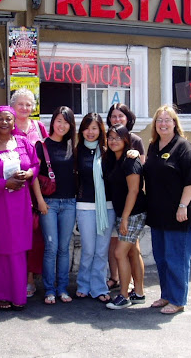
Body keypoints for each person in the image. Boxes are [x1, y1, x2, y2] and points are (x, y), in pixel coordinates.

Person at [0, 105, 46, 309]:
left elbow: (35, 164)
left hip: (19, 204)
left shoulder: (23, 142)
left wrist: (29, 174)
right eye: (0, 119)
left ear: (14, 122)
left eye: (8, 119)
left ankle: (17, 294)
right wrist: (4, 183)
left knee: (16, 248)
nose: (4, 123)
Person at [143, 105, 191, 315]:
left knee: (177, 258)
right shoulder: (153, 146)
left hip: (180, 212)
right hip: (158, 213)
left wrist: (182, 206)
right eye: (160, 120)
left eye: (168, 120)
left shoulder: (183, 147)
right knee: (162, 257)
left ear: (175, 123)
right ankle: (167, 294)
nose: (163, 124)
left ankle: (178, 300)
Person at [10, 88, 48, 298]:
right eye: (21, 104)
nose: (25, 108)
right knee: (15, 235)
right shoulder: (6, 124)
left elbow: (46, 154)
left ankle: (30, 277)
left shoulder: (39, 126)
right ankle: (15, 276)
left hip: (37, 189)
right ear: (12, 106)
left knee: (35, 236)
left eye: (29, 104)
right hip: (13, 188)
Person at [103, 124, 147, 310]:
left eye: (117, 138)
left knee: (119, 253)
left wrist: (126, 218)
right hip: (124, 213)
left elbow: (134, 191)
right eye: (110, 137)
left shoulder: (130, 161)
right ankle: (139, 293)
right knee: (132, 252)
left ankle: (123, 296)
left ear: (126, 140)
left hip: (134, 213)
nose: (113, 141)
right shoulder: (115, 158)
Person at [37, 106, 77, 305]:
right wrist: (40, 201)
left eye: (66, 121)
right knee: (51, 247)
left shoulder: (73, 146)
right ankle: (49, 289)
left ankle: (62, 288)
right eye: (59, 120)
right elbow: (34, 177)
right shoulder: (41, 145)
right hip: (49, 204)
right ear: (53, 122)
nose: (62, 125)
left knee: (64, 247)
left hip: (70, 202)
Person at [75, 113, 115, 303]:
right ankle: (83, 284)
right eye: (87, 128)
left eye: (94, 128)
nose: (90, 132)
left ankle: (99, 287)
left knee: (101, 250)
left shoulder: (109, 152)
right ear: (81, 130)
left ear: (100, 130)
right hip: (84, 207)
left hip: (107, 207)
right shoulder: (76, 151)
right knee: (89, 250)